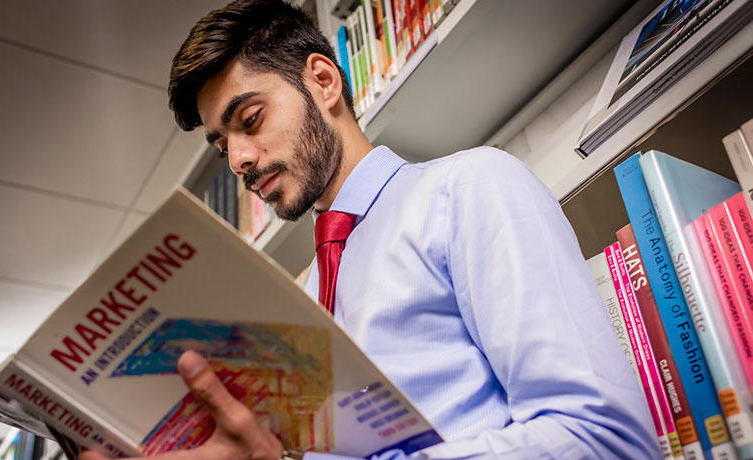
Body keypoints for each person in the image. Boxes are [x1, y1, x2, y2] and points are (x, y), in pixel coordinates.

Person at [81, 1, 661, 459]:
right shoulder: (297, 300)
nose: (238, 159)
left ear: (324, 81)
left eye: (250, 120)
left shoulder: (468, 188)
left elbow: (606, 439)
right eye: (221, 142)